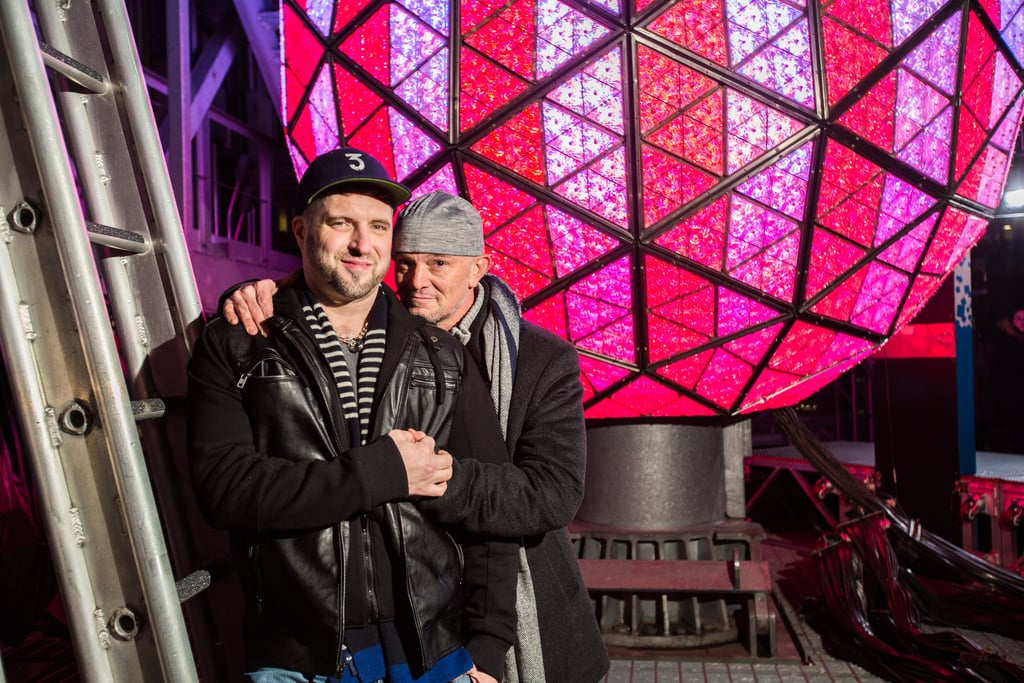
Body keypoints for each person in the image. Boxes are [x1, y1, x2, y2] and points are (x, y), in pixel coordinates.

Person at [223, 191, 610, 682]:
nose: (415, 282)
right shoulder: (379, 336)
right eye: (403, 264)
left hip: (528, 610)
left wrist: (418, 477)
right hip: (417, 624)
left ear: (478, 269)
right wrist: (258, 293)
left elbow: (551, 495)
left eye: (438, 264)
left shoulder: (541, 360)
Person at [187, 150, 518, 683]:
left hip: (433, 654)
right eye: (342, 224)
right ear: (301, 230)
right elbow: (226, 489)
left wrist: (486, 646)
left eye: (378, 227)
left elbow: (487, 508)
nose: (363, 245)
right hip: (298, 657)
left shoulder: (440, 356)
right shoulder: (237, 344)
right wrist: (381, 472)